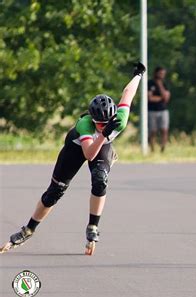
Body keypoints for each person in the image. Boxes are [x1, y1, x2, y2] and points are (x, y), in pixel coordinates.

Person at [0, 62, 146, 255]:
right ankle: (29, 229)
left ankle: (93, 226)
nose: (102, 126)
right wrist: (102, 135)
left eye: (105, 124)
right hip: (78, 147)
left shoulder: (120, 119)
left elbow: (128, 93)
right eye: (98, 124)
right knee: (55, 192)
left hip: (102, 146)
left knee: (100, 180)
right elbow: (88, 154)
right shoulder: (85, 125)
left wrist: (139, 75)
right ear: (92, 120)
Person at [148, 66, 171, 152]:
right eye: (160, 73)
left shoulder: (165, 84)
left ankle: (163, 149)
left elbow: (166, 98)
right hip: (152, 111)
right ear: (156, 73)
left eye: (163, 74)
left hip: (163, 110)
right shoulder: (150, 83)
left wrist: (159, 85)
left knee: (164, 130)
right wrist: (161, 98)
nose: (162, 75)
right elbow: (150, 98)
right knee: (152, 131)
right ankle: (152, 149)